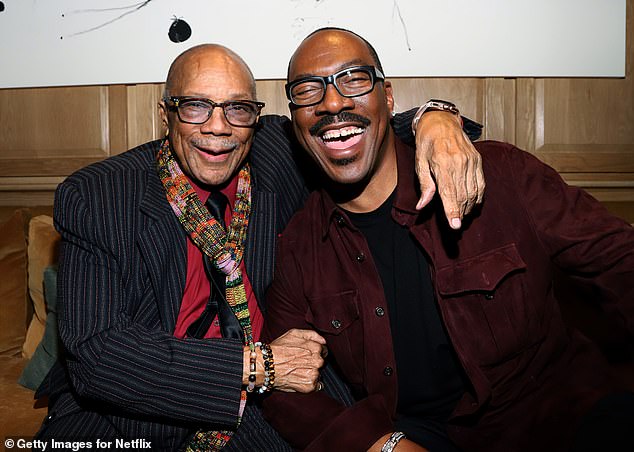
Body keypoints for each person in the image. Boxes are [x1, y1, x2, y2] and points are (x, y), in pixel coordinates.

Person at [34, 43, 483, 451]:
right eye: (196, 107)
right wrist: (256, 366)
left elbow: (356, 128)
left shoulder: (276, 155)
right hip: (122, 418)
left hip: (264, 410)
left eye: (238, 109)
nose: (218, 128)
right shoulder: (98, 195)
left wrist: (436, 119)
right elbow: (97, 355)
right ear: (164, 113)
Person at [261, 28, 634, 452]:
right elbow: (283, 388)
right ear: (295, 120)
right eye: (308, 90)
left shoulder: (501, 173)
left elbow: (618, 259)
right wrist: (380, 444)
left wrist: (436, 115)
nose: (332, 102)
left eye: (353, 79)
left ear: (387, 97)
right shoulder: (298, 248)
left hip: (562, 419)